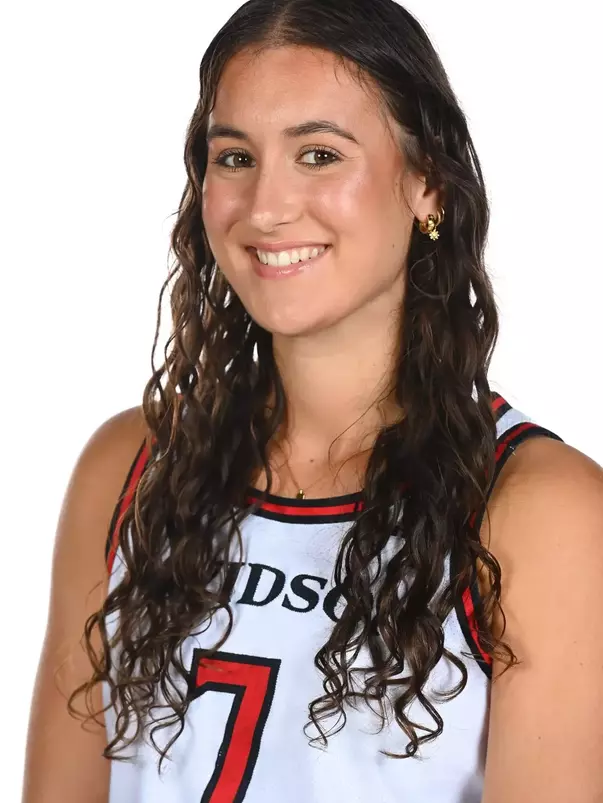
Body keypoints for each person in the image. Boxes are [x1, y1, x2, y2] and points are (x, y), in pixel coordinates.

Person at [22, 1, 603, 801]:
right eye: (234, 158)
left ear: (427, 182)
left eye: (319, 154)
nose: (265, 208)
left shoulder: (537, 507)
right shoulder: (129, 467)